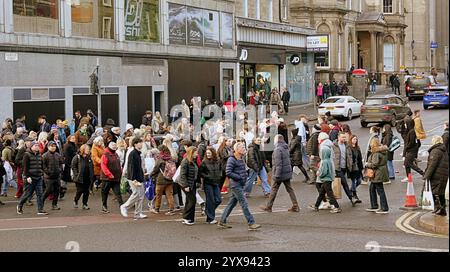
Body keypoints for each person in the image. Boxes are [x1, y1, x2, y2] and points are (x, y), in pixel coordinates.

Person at [218, 142, 261, 230]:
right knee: (244, 203)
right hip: (235, 185)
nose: (244, 148)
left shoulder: (241, 158)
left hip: (239, 184)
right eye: (242, 147)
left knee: (231, 204)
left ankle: (222, 222)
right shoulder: (232, 159)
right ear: (237, 150)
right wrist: (240, 177)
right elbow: (228, 172)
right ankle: (251, 223)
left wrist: (245, 175)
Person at [260, 135, 300, 212]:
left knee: (274, 190)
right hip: (286, 173)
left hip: (280, 173)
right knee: (290, 189)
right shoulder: (285, 148)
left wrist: (276, 176)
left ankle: (269, 207)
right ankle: (295, 205)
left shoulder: (277, 150)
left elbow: (278, 164)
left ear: (277, 140)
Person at [308, 143, 341, 213]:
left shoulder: (324, 161)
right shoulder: (329, 160)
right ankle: (316, 206)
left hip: (325, 179)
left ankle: (337, 207)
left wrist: (319, 173)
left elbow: (324, 171)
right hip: (328, 179)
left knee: (329, 194)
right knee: (322, 193)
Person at [17, 141, 47, 215]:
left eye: (37, 145)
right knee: (27, 194)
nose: (37, 147)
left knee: (40, 194)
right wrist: (27, 177)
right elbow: (25, 167)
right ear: (31, 146)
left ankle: (40, 209)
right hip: (30, 178)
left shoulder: (40, 155)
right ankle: (20, 205)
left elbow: (41, 165)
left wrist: (42, 173)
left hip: (39, 177)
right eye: (35, 145)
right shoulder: (27, 155)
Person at [120, 138, 147, 219]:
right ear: (135, 144)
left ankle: (138, 213)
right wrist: (133, 179)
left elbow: (140, 166)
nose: (141, 144)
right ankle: (125, 206)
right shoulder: (132, 153)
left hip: (139, 176)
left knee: (141, 195)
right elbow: (130, 167)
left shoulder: (138, 153)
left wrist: (143, 172)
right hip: (133, 177)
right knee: (136, 194)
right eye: (139, 143)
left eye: (141, 143)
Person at [423, 136, 449, 216]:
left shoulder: (435, 151)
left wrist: (426, 176)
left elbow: (432, 165)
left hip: (436, 175)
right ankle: (443, 209)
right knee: (441, 193)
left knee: (434, 192)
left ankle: (438, 207)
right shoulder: (444, 150)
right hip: (444, 174)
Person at [365, 138, 390, 214]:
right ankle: (374, 205)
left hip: (377, 174)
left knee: (380, 190)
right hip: (380, 172)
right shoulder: (382, 151)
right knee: (372, 188)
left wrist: (367, 164)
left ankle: (384, 208)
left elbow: (374, 164)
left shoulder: (376, 153)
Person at [150, 145, 176, 215]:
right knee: (169, 195)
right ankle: (171, 209)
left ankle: (156, 209)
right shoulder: (170, 158)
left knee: (158, 195)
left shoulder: (160, 159)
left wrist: (151, 175)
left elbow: (155, 169)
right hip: (170, 179)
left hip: (161, 180)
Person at [199, 148, 222, 224]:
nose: (208, 154)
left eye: (209, 153)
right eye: (207, 153)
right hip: (208, 183)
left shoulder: (218, 161)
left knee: (218, 200)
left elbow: (221, 169)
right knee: (210, 200)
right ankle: (210, 219)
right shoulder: (204, 162)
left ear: (213, 153)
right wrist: (207, 176)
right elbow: (201, 173)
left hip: (216, 182)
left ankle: (207, 210)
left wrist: (219, 176)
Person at [100, 141, 124, 214]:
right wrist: (109, 174)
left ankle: (122, 207)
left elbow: (118, 165)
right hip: (107, 178)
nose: (114, 147)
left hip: (116, 177)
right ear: (109, 146)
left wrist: (121, 172)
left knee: (118, 193)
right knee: (105, 192)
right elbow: (103, 166)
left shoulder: (116, 154)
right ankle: (104, 206)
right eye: (113, 146)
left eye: (115, 145)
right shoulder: (105, 155)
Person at [332, 132, 355, 206]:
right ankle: (351, 198)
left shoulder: (347, 145)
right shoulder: (333, 146)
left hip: (345, 167)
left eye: (344, 137)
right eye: (342, 137)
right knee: (344, 183)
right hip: (338, 168)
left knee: (341, 184)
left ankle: (329, 200)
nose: (344, 139)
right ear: (338, 138)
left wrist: (350, 164)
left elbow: (350, 155)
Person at [178, 146, 199, 225]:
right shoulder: (185, 161)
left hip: (191, 183)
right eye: (196, 152)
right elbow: (182, 175)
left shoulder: (192, 161)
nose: (197, 154)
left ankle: (189, 218)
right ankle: (186, 217)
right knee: (192, 200)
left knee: (189, 200)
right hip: (186, 184)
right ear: (191, 152)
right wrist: (186, 186)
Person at [42, 141, 64, 210]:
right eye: (52, 146)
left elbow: (61, 163)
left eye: (54, 146)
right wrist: (48, 172)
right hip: (48, 177)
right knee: (48, 190)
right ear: (48, 147)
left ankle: (54, 204)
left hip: (57, 176)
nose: (53, 147)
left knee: (57, 191)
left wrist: (60, 170)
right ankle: (41, 202)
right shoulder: (44, 155)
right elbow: (43, 166)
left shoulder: (58, 155)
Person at [402, 116, 424, 182]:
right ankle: (408, 177)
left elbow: (411, 143)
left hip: (411, 151)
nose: (405, 125)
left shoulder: (412, 132)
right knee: (406, 164)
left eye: (406, 123)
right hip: (411, 151)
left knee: (410, 164)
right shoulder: (411, 131)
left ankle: (424, 174)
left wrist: (406, 148)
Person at [71, 144, 94, 210]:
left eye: (89, 149)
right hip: (79, 178)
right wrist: (76, 174)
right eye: (87, 149)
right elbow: (73, 165)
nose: (89, 150)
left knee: (86, 191)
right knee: (80, 190)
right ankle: (76, 200)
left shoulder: (89, 157)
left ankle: (85, 204)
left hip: (87, 177)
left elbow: (91, 167)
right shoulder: (77, 157)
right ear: (83, 149)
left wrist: (92, 176)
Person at [349, 135, 363, 204]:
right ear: (351, 140)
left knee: (359, 181)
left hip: (358, 167)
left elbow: (360, 158)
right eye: (354, 139)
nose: (355, 140)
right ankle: (354, 195)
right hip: (352, 167)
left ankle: (351, 189)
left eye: (356, 139)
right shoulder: (349, 148)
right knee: (353, 181)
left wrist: (361, 168)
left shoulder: (357, 148)